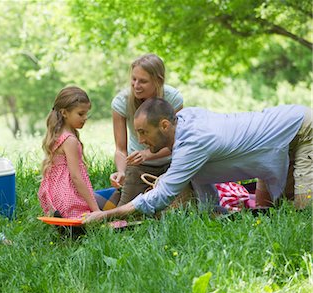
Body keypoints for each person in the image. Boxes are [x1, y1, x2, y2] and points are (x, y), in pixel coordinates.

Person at [84, 98, 312, 222]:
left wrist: (105, 215)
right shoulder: (183, 121)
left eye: (143, 132)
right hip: (275, 141)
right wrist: (215, 214)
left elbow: (161, 196)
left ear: (164, 125)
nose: (140, 140)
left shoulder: (193, 143)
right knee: (269, 211)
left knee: (305, 212)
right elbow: (203, 180)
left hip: (301, 128)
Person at [110, 53, 184, 206]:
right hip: (138, 167)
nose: (136, 85)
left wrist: (147, 154)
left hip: (172, 163)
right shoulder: (121, 102)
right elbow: (120, 149)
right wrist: (122, 171)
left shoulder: (173, 99)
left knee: (179, 208)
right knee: (126, 211)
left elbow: (179, 142)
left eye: (143, 81)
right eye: (133, 79)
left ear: (158, 81)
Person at [38, 86, 106, 219]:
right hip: (68, 199)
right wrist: (96, 210)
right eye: (81, 114)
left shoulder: (58, 135)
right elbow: (76, 177)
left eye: (86, 113)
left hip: (56, 198)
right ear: (64, 113)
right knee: (107, 207)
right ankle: (72, 220)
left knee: (107, 197)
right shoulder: (70, 140)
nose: (85, 118)